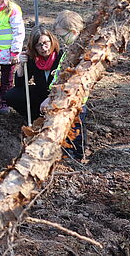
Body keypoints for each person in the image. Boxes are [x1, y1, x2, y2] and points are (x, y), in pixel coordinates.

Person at [50, 10, 87, 160]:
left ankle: (77, 156)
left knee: (76, 128)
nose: (61, 39)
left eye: (63, 36)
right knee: (65, 126)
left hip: (77, 99)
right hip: (64, 96)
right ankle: (66, 151)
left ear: (73, 32)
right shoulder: (70, 50)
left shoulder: (83, 51)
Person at [4, 26, 62, 120]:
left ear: (52, 41)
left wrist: (50, 98)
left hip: (59, 96)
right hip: (42, 94)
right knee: (12, 95)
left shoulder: (61, 56)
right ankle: (36, 118)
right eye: (38, 45)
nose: (43, 48)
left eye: (46, 43)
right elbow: (20, 85)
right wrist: (22, 65)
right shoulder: (33, 59)